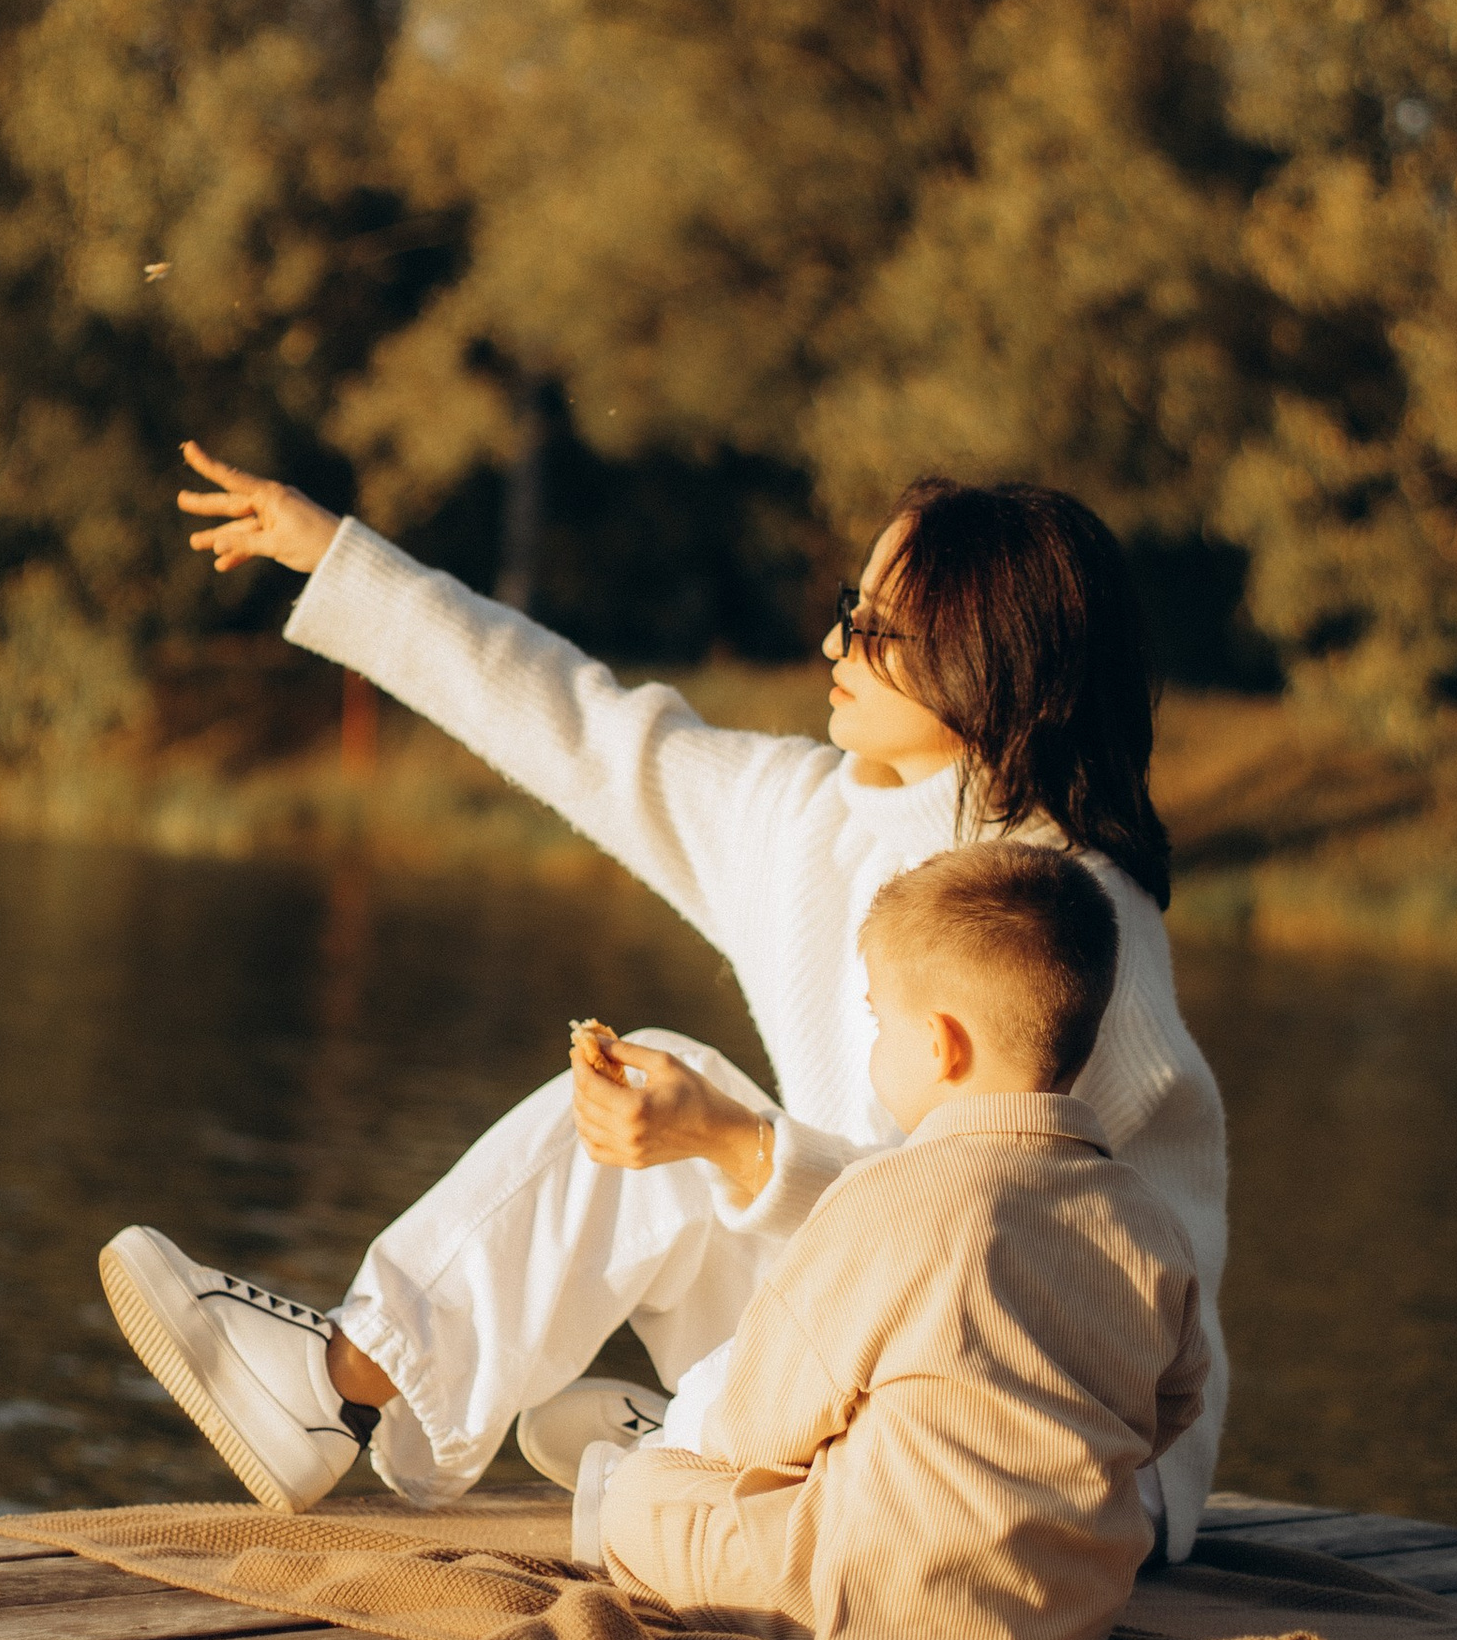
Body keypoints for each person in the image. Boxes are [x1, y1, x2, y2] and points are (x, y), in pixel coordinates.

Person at [95, 447, 1230, 1556]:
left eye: (874, 628)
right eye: (848, 608)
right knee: (642, 1097)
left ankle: (672, 1449)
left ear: (982, 659)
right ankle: (349, 1388)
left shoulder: (1067, 920)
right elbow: (575, 724)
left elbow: (995, 1246)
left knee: (700, 1130)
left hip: (1054, 1452)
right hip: (871, 1362)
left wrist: (740, 1146)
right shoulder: (805, 819)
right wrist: (340, 558)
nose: (832, 643)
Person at [579, 842, 1208, 1640]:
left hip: (861, 1605)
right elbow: (1173, 1403)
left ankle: (637, 1453)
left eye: (878, 1022)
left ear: (942, 1046)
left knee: (642, 1498)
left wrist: (704, 1457)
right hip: (1062, 1625)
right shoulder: (1147, 1221)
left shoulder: (891, 1194)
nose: (875, 1044)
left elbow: (760, 1422)